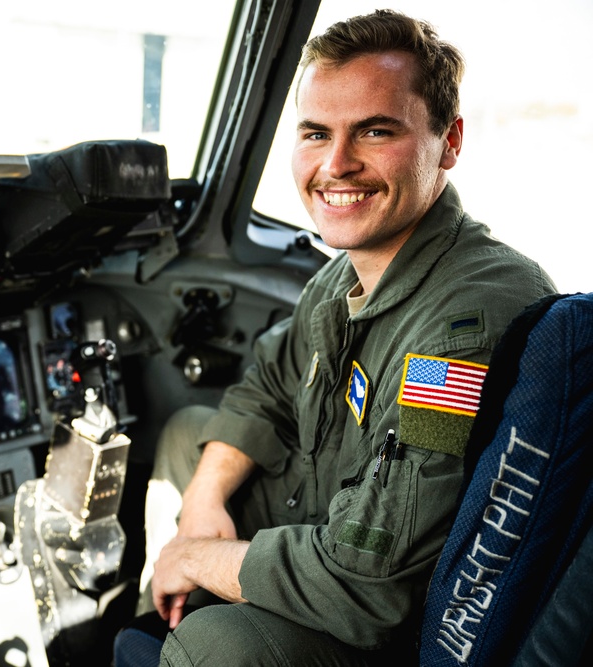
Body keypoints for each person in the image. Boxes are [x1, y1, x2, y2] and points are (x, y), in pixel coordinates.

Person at [115, 9, 558, 666]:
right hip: (331, 514)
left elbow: (369, 584)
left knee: (215, 646)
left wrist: (199, 556)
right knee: (190, 435)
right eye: (316, 133)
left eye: (375, 131)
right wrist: (204, 505)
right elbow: (268, 379)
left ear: (450, 140)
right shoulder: (348, 269)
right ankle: (160, 628)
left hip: (398, 614)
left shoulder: (463, 329)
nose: (337, 164)